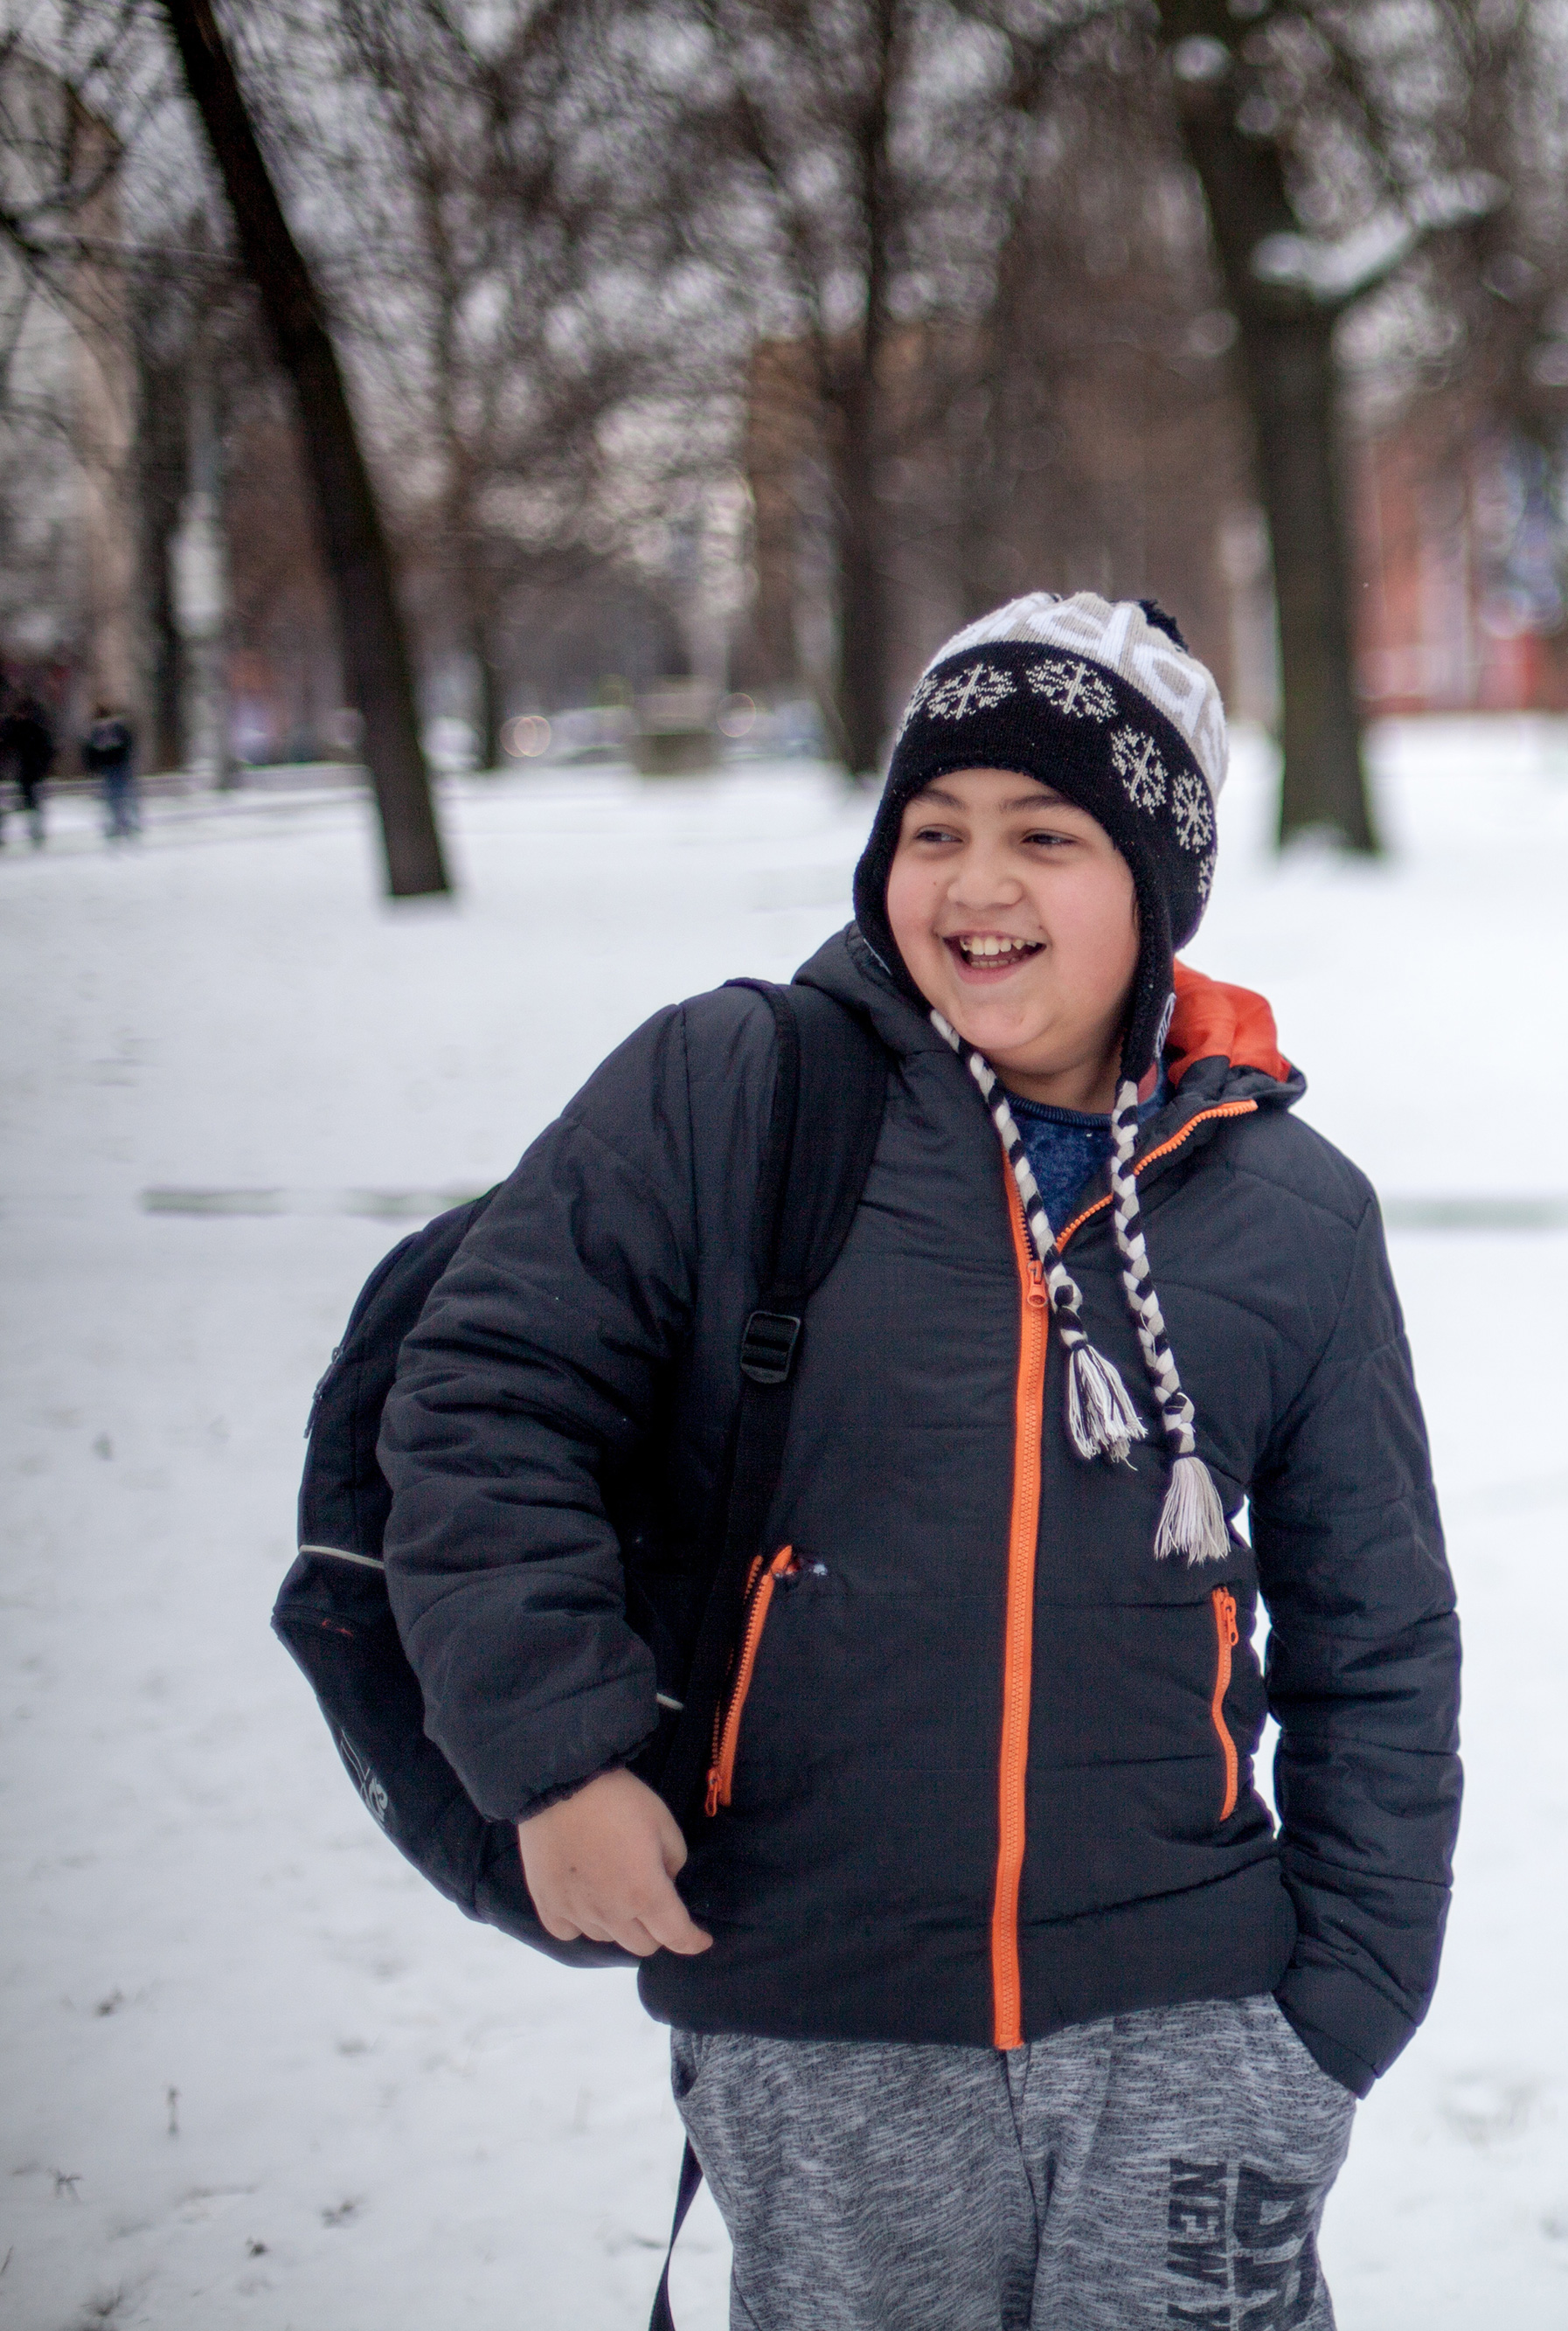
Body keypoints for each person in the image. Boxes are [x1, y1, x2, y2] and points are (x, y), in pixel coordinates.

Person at [383, 593, 1460, 2329]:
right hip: (820, 2014)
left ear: (1158, 894)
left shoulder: (1284, 1206)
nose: (975, 884)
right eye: (933, 830)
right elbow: (486, 1397)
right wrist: (555, 1754)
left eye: (1045, 836)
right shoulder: (732, 1095)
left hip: (1195, 2014)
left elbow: (1377, 1630)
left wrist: (1340, 1995)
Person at [0, 689, 50, 847]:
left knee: (31, 801)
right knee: (30, 801)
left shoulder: (29, 728)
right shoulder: (24, 727)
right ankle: (35, 830)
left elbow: (9, 745)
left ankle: (36, 830)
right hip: (28, 770)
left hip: (31, 770)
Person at [82, 702, 136, 843]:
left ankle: (118, 824)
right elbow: (128, 744)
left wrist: (93, 766)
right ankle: (125, 823)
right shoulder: (117, 727)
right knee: (122, 796)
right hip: (119, 765)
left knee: (113, 798)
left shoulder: (97, 731)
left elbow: (90, 751)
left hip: (110, 767)